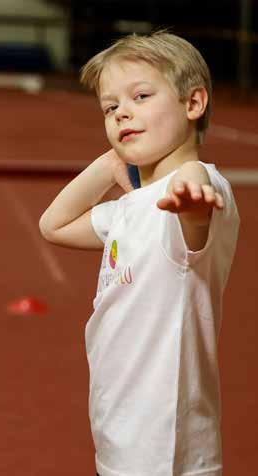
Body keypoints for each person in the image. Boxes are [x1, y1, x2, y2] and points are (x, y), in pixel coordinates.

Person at [40, 31, 240, 476]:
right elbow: (53, 225)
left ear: (193, 103)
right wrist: (109, 163)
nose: (121, 113)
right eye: (109, 108)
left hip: (165, 445)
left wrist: (192, 197)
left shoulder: (191, 192)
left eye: (141, 96)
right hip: (117, 426)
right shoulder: (130, 209)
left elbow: (193, 194)